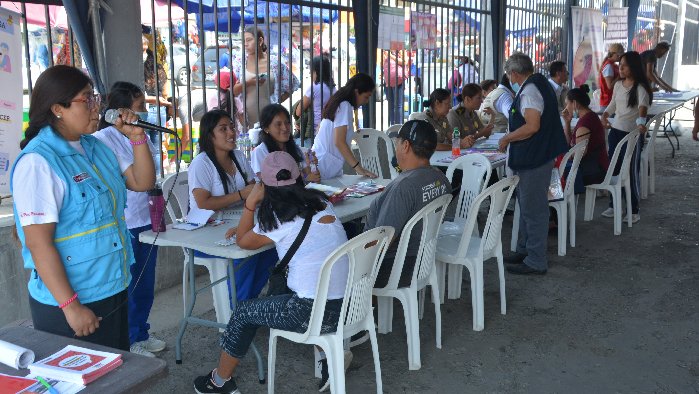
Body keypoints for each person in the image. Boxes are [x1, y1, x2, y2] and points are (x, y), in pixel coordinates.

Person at [11, 65, 155, 349]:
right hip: (74, 299)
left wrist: (137, 137)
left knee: (117, 376)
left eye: (95, 98)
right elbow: (39, 244)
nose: (96, 107)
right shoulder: (38, 163)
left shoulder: (96, 147)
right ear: (57, 109)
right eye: (86, 99)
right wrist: (71, 306)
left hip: (112, 285)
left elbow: (142, 182)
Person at [193, 151, 349, 394]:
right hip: (347, 304)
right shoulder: (321, 203)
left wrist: (250, 203)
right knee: (303, 281)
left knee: (243, 313)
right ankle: (328, 359)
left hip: (311, 311)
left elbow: (243, 241)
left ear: (263, 186)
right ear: (298, 176)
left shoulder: (277, 218)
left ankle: (219, 382)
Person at [93, 82, 165, 357]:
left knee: (146, 284)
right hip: (126, 222)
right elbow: (129, 177)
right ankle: (130, 339)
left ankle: (141, 332)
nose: (144, 112)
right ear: (119, 110)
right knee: (130, 285)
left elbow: (149, 173)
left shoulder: (139, 134)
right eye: (138, 107)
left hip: (147, 216)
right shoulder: (103, 139)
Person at [188, 110, 277, 301]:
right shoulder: (201, 163)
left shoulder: (237, 155)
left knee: (271, 246)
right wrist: (241, 194)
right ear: (209, 134)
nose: (231, 132)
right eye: (223, 129)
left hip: (234, 222)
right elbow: (203, 204)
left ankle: (246, 305)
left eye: (231, 127)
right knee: (245, 251)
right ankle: (238, 309)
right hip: (204, 232)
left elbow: (254, 187)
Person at [498, 52, 569, 275]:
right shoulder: (537, 83)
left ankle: (536, 259)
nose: (509, 77)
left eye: (510, 73)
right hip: (534, 157)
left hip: (534, 159)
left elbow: (532, 126)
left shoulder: (529, 91)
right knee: (528, 208)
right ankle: (525, 250)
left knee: (535, 211)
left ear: (515, 73)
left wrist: (507, 138)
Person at [366, 120, 452, 288]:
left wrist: (357, 267)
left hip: (396, 269)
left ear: (405, 145)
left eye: (397, 142)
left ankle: (367, 307)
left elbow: (382, 243)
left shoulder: (403, 187)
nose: (396, 147)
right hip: (423, 262)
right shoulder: (441, 178)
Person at [601, 51, 652, 223]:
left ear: (634, 67)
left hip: (632, 135)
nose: (620, 68)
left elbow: (643, 107)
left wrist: (641, 124)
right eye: (619, 64)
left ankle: (634, 209)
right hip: (615, 132)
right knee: (614, 168)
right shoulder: (618, 85)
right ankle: (613, 204)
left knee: (630, 171)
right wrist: (604, 115)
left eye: (624, 65)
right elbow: (613, 104)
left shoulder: (640, 87)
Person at [312, 73, 378, 179]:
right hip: (325, 166)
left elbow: (319, 129)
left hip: (323, 164)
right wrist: (359, 168)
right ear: (356, 92)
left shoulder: (338, 102)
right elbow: (339, 142)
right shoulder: (344, 105)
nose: (367, 101)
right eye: (366, 97)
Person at [232, 26, 300, 128]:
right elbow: (232, 91)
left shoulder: (275, 62)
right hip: (244, 120)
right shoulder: (239, 62)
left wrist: (277, 101)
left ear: (260, 40)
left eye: (249, 40)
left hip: (270, 120)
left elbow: (293, 83)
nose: (245, 44)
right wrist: (249, 83)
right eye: (244, 41)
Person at [252, 104, 321, 183]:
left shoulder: (293, 147)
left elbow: (312, 178)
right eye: (278, 124)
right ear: (266, 129)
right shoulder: (260, 151)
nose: (285, 128)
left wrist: (312, 166)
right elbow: (267, 185)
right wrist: (304, 182)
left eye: (287, 122)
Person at [177, 70, 245, 149]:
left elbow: (209, 120)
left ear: (216, 84)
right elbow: (244, 123)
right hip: (233, 138)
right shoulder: (236, 101)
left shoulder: (212, 98)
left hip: (216, 138)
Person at [561, 84, 610, 191]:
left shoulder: (586, 122)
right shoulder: (588, 117)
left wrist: (559, 158)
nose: (566, 108)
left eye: (567, 104)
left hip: (595, 170)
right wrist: (567, 123)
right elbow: (569, 144)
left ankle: (557, 206)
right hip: (593, 167)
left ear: (574, 104)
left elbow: (578, 154)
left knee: (554, 174)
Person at [295, 55, 337, 147]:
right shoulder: (334, 89)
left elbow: (298, 112)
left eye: (311, 70)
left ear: (316, 71)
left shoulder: (314, 88)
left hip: (314, 134)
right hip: (330, 133)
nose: (310, 72)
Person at [383, 50, 408, 125]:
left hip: (398, 80)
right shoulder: (386, 50)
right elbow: (383, 65)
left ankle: (398, 126)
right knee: (391, 104)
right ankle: (392, 125)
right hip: (388, 80)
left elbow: (404, 62)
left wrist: (390, 56)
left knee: (398, 104)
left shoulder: (400, 49)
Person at [598, 44, 625, 112]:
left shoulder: (614, 65)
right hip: (608, 102)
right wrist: (620, 76)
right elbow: (609, 86)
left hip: (613, 101)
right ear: (612, 53)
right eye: (618, 55)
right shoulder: (609, 66)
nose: (620, 57)